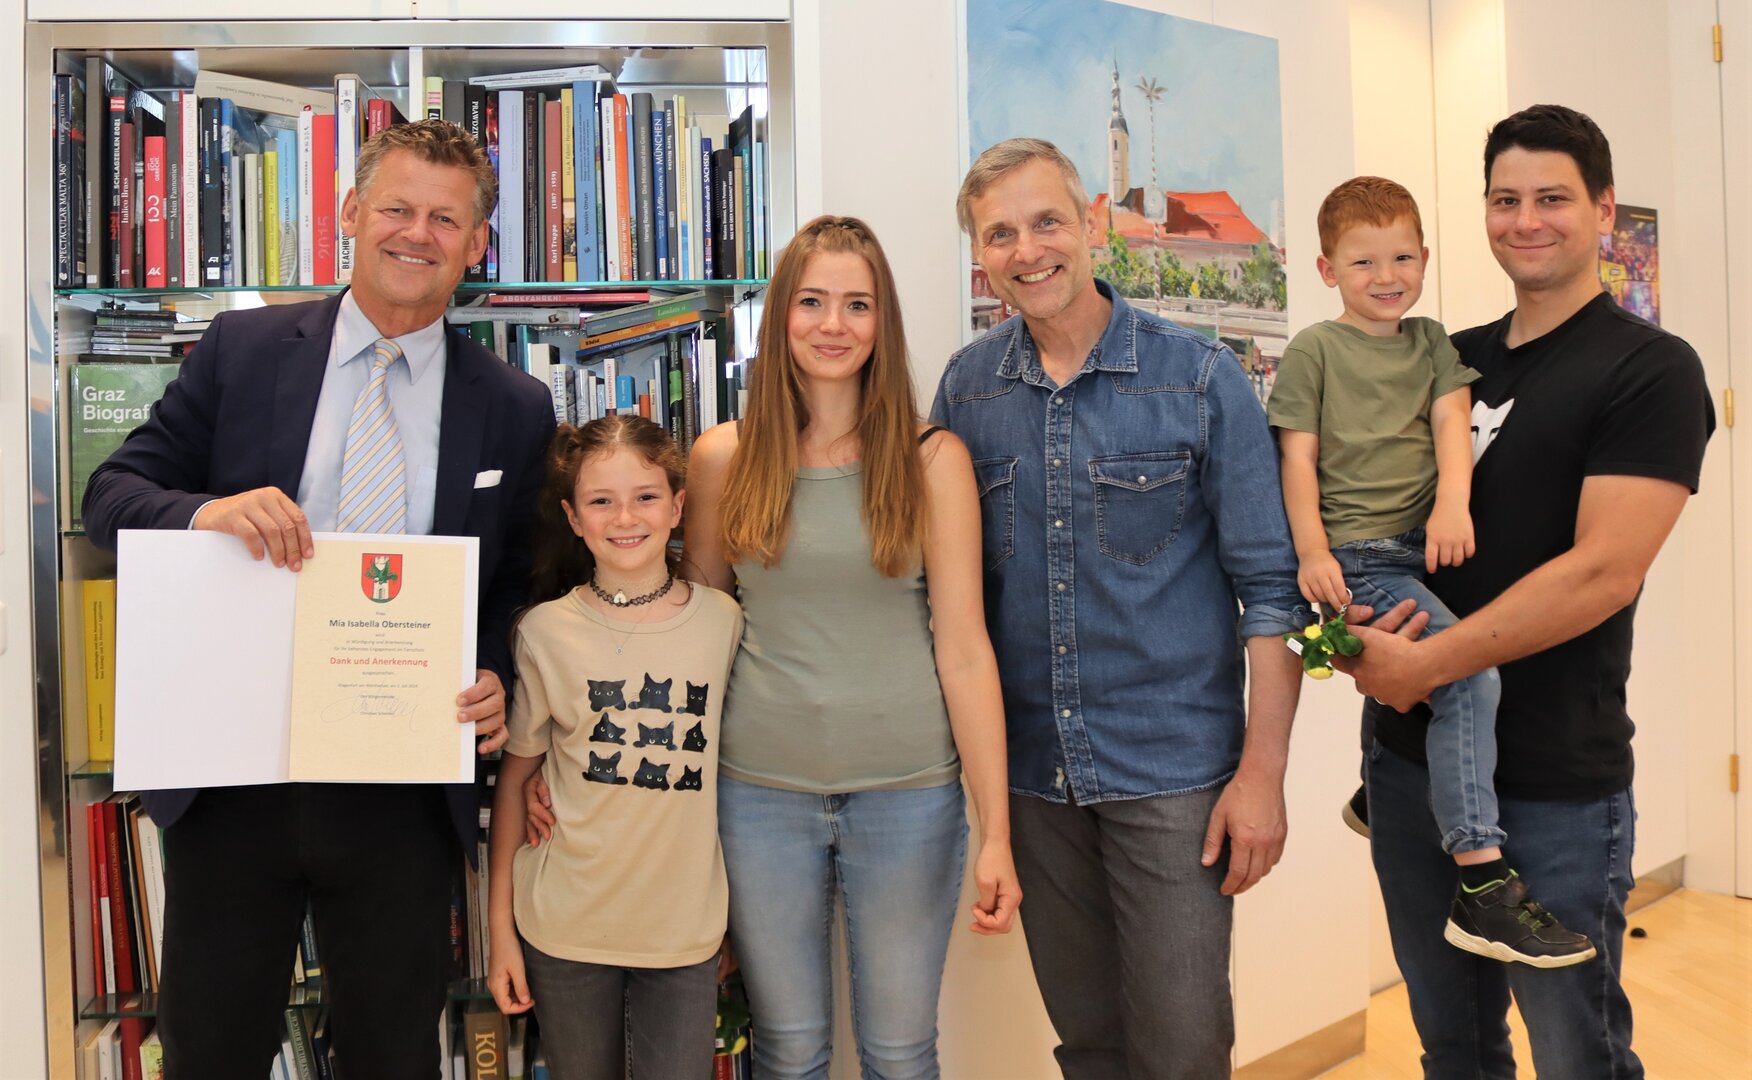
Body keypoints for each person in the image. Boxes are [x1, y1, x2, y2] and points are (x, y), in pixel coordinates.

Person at [81, 120, 556, 1078]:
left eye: (444, 219)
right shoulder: (244, 350)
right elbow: (109, 500)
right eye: (396, 207)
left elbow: (515, 582)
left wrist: (496, 673)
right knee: (212, 1050)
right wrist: (209, 511)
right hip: (235, 773)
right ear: (350, 214)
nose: (415, 233)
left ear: (473, 245)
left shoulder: (513, 402)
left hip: (403, 782)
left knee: (390, 1053)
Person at [1337, 105, 1714, 1076]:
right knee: (1453, 1049)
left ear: (1603, 209)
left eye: (1552, 198)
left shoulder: (1651, 370)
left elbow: (1602, 573)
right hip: (1408, 775)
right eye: (1505, 200)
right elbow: (1353, 532)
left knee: (1577, 1055)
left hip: (1555, 785)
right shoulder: (1440, 358)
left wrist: (1423, 662)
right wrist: (1336, 651)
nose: (1525, 220)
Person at [934, 137, 1310, 1079]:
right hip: (1032, 783)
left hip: (1173, 777)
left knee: (1183, 1049)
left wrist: (1262, 775)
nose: (1029, 250)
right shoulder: (967, 392)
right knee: (1090, 1046)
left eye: (1047, 221)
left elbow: (1271, 592)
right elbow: (948, 602)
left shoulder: (1199, 377)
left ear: (1092, 223)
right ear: (981, 255)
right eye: (1000, 234)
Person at [673, 213, 1018, 1079]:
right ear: (780, 315)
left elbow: (966, 649)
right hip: (758, 797)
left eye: (857, 305)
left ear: (882, 322)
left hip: (909, 796)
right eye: (813, 302)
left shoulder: (933, 460)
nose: (834, 325)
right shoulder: (722, 458)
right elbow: (701, 631)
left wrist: (996, 830)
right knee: (788, 1050)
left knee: (901, 1052)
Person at [1267, 175, 1593, 967]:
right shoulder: (1316, 349)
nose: (1387, 278)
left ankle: (1381, 795)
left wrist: (1455, 503)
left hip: (1423, 544)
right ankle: (1481, 878)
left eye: (1403, 257)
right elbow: (1296, 458)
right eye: (1364, 263)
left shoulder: (1430, 342)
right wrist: (1313, 552)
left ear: (1425, 257)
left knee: (1463, 642)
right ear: (1325, 271)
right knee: (1468, 677)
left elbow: (1453, 420)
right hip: (1359, 556)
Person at [486, 417, 743, 1080]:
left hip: (682, 930)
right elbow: (517, 781)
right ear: (573, 518)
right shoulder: (543, 632)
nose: (624, 517)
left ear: (679, 506)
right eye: (601, 501)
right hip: (563, 926)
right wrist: (498, 935)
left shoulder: (724, 622)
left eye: (646, 496)